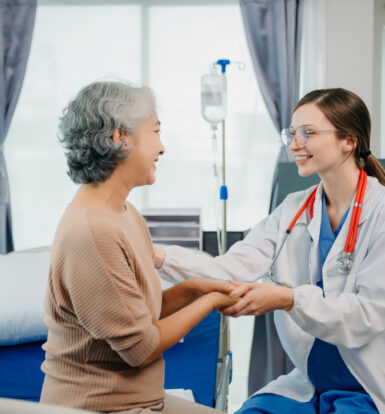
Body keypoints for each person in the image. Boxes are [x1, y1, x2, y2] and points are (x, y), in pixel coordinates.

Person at [155, 88, 385, 413]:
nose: (294, 145)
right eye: (291, 133)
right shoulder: (294, 209)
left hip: (367, 383)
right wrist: (155, 256)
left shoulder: (381, 214)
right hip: (310, 382)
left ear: (349, 140)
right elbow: (228, 269)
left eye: (308, 133)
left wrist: (286, 299)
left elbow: (369, 313)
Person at [39, 81, 247, 414]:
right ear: (120, 137)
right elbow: (142, 347)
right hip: (99, 406)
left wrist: (193, 289)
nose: (162, 147)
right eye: (156, 132)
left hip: (138, 400)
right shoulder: (93, 231)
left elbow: (139, 313)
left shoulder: (123, 213)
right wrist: (210, 301)